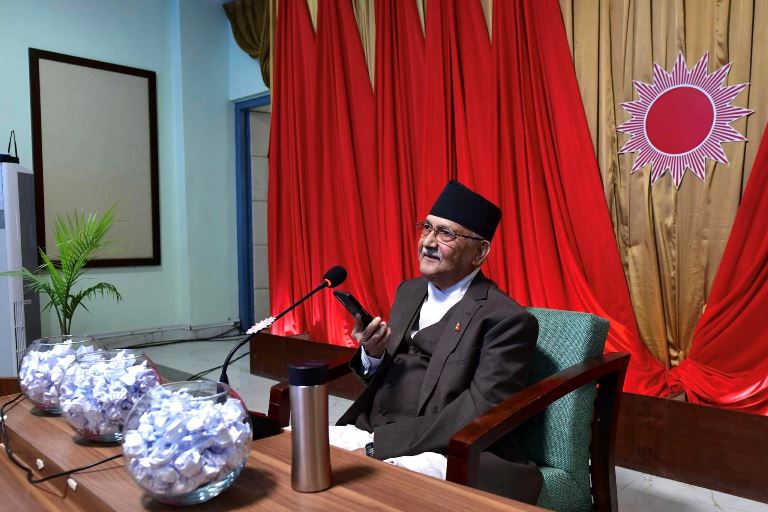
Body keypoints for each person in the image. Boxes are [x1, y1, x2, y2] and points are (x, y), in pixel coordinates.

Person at [334, 180, 543, 504]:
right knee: (291, 447)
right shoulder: (409, 291)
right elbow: (391, 376)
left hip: (444, 451)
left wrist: (380, 447)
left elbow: (479, 410)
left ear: (480, 252)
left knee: (363, 495)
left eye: (446, 234)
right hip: (369, 430)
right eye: (427, 228)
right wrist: (372, 355)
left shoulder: (506, 319)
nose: (428, 242)